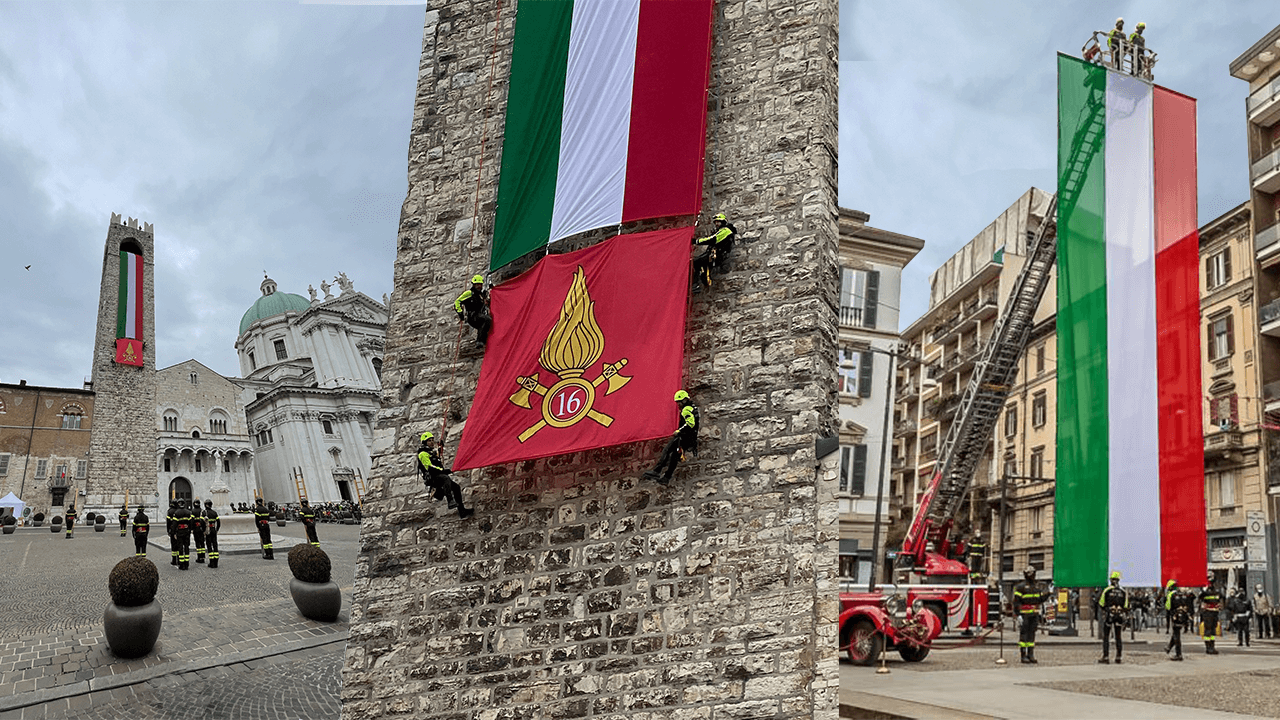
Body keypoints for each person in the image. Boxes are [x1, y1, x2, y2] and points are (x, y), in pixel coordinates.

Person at [642, 390, 700, 485]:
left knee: (667, 450)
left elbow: (690, 423)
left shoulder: (686, 410)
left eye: (679, 402)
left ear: (684, 401)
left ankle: (657, 470)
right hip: (690, 439)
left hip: (683, 437)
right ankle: (667, 477)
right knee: (674, 457)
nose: (678, 404)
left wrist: (679, 431)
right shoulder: (692, 408)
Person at [416, 432, 474, 519]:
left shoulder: (431, 452)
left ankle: (462, 511)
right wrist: (443, 471)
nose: (432, 442)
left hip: (438, 475)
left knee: (456, 487)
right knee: (445, 478)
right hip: (433, 477)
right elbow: (429, 467)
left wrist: (439, 450)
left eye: (432, 440)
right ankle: (450, 500)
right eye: (429, 441)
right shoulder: (423, 454)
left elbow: (437, 461)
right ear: (425, 442)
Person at [691, 213, 737, 290]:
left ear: (723, 222)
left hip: (718, 255)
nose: (716, 224)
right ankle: (703, 278)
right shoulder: (721, 231)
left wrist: (696, 241)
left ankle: (696, 284)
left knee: (696, 262)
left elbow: (713, 239)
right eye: (715, 222)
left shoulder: (726, 230)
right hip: (714, 254)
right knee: (698, 263)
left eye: (718, 222)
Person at [1012, 566, 1047, 663]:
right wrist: (1018, 614)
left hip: (1034, 615)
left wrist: (1047, 594)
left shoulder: (1036, 587)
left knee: (1032, 635)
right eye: (1032, 574)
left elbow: (1039, 600)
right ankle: (1023, 655)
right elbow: (1016, 602)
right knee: (1024, 636)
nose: (1034, 576)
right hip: (1024, 615)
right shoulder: (1020, 587)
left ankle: (1030, 654)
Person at [1097, 571, 1129, 663]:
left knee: (1106, 636)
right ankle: (1118, 656)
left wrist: (1106, 609)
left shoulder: (1107, 590)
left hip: (1109, 615)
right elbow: (1126, 606)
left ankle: (1106, 657)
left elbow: (1101, 603)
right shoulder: (1123, 591)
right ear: (1118, 580)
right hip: (1119, 616)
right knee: (1118, 636)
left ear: (1111, 580)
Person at [453, 274, 491, 347]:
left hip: (479, 315)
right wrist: (460, 313)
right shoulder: (469, 293)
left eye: (480, 284)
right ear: (473, 285)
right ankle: (479, 341)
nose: (479, 286)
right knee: (486, 319)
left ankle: (483, 341)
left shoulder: (481, 296)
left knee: (484, 325)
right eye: (477, 285)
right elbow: (457, 302)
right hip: (473, 316)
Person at [1165, 580, 1193, 661]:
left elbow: (1168, 607)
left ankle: (1178, 654)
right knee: (1176, 633)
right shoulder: (1184, 595)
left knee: (1176, 635)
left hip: (1175, 616)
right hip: (1183, 616)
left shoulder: (1171, 595)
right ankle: (1169, 647)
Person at [1200, 582, 1223, 654]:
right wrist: (1204, 590)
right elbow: (1200, 597)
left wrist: (1220, 606)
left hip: (1215, 613)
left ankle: (1212, 647)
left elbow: (1221, 599)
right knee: (1208, 630)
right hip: (1207, 613)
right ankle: (1208, 647)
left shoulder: (1217, 593)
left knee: (1213, 631)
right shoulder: (1204, 593)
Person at [173, 502, 193, 571]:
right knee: (187, 547)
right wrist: (190, 530)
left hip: (180, 532)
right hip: (186, 531)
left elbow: (174, 524)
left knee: (180, 547)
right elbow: (190, 523)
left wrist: (173, 533)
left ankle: (181, 564)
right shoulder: (188, 512)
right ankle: (187, 564)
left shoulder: (177, 513)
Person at [203, 500, 221, 569]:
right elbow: (218, 522)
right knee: (215, 544)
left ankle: (211, 562)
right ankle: (216, 562)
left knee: (209, 545)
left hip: (208, 530)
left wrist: (204, 530)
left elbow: (202, 522)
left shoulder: (204, 512)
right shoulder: (214, 512)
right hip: (213, 529)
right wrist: (217, 530)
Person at [166, 500, 179, 566]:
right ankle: (179, 560)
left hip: (172, 530)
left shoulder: (170, 511)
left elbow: (168, 522)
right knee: (179, 545)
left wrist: (168, 531)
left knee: (173, 545)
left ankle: (174, 560)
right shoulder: (179, 511)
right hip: (179, 530)